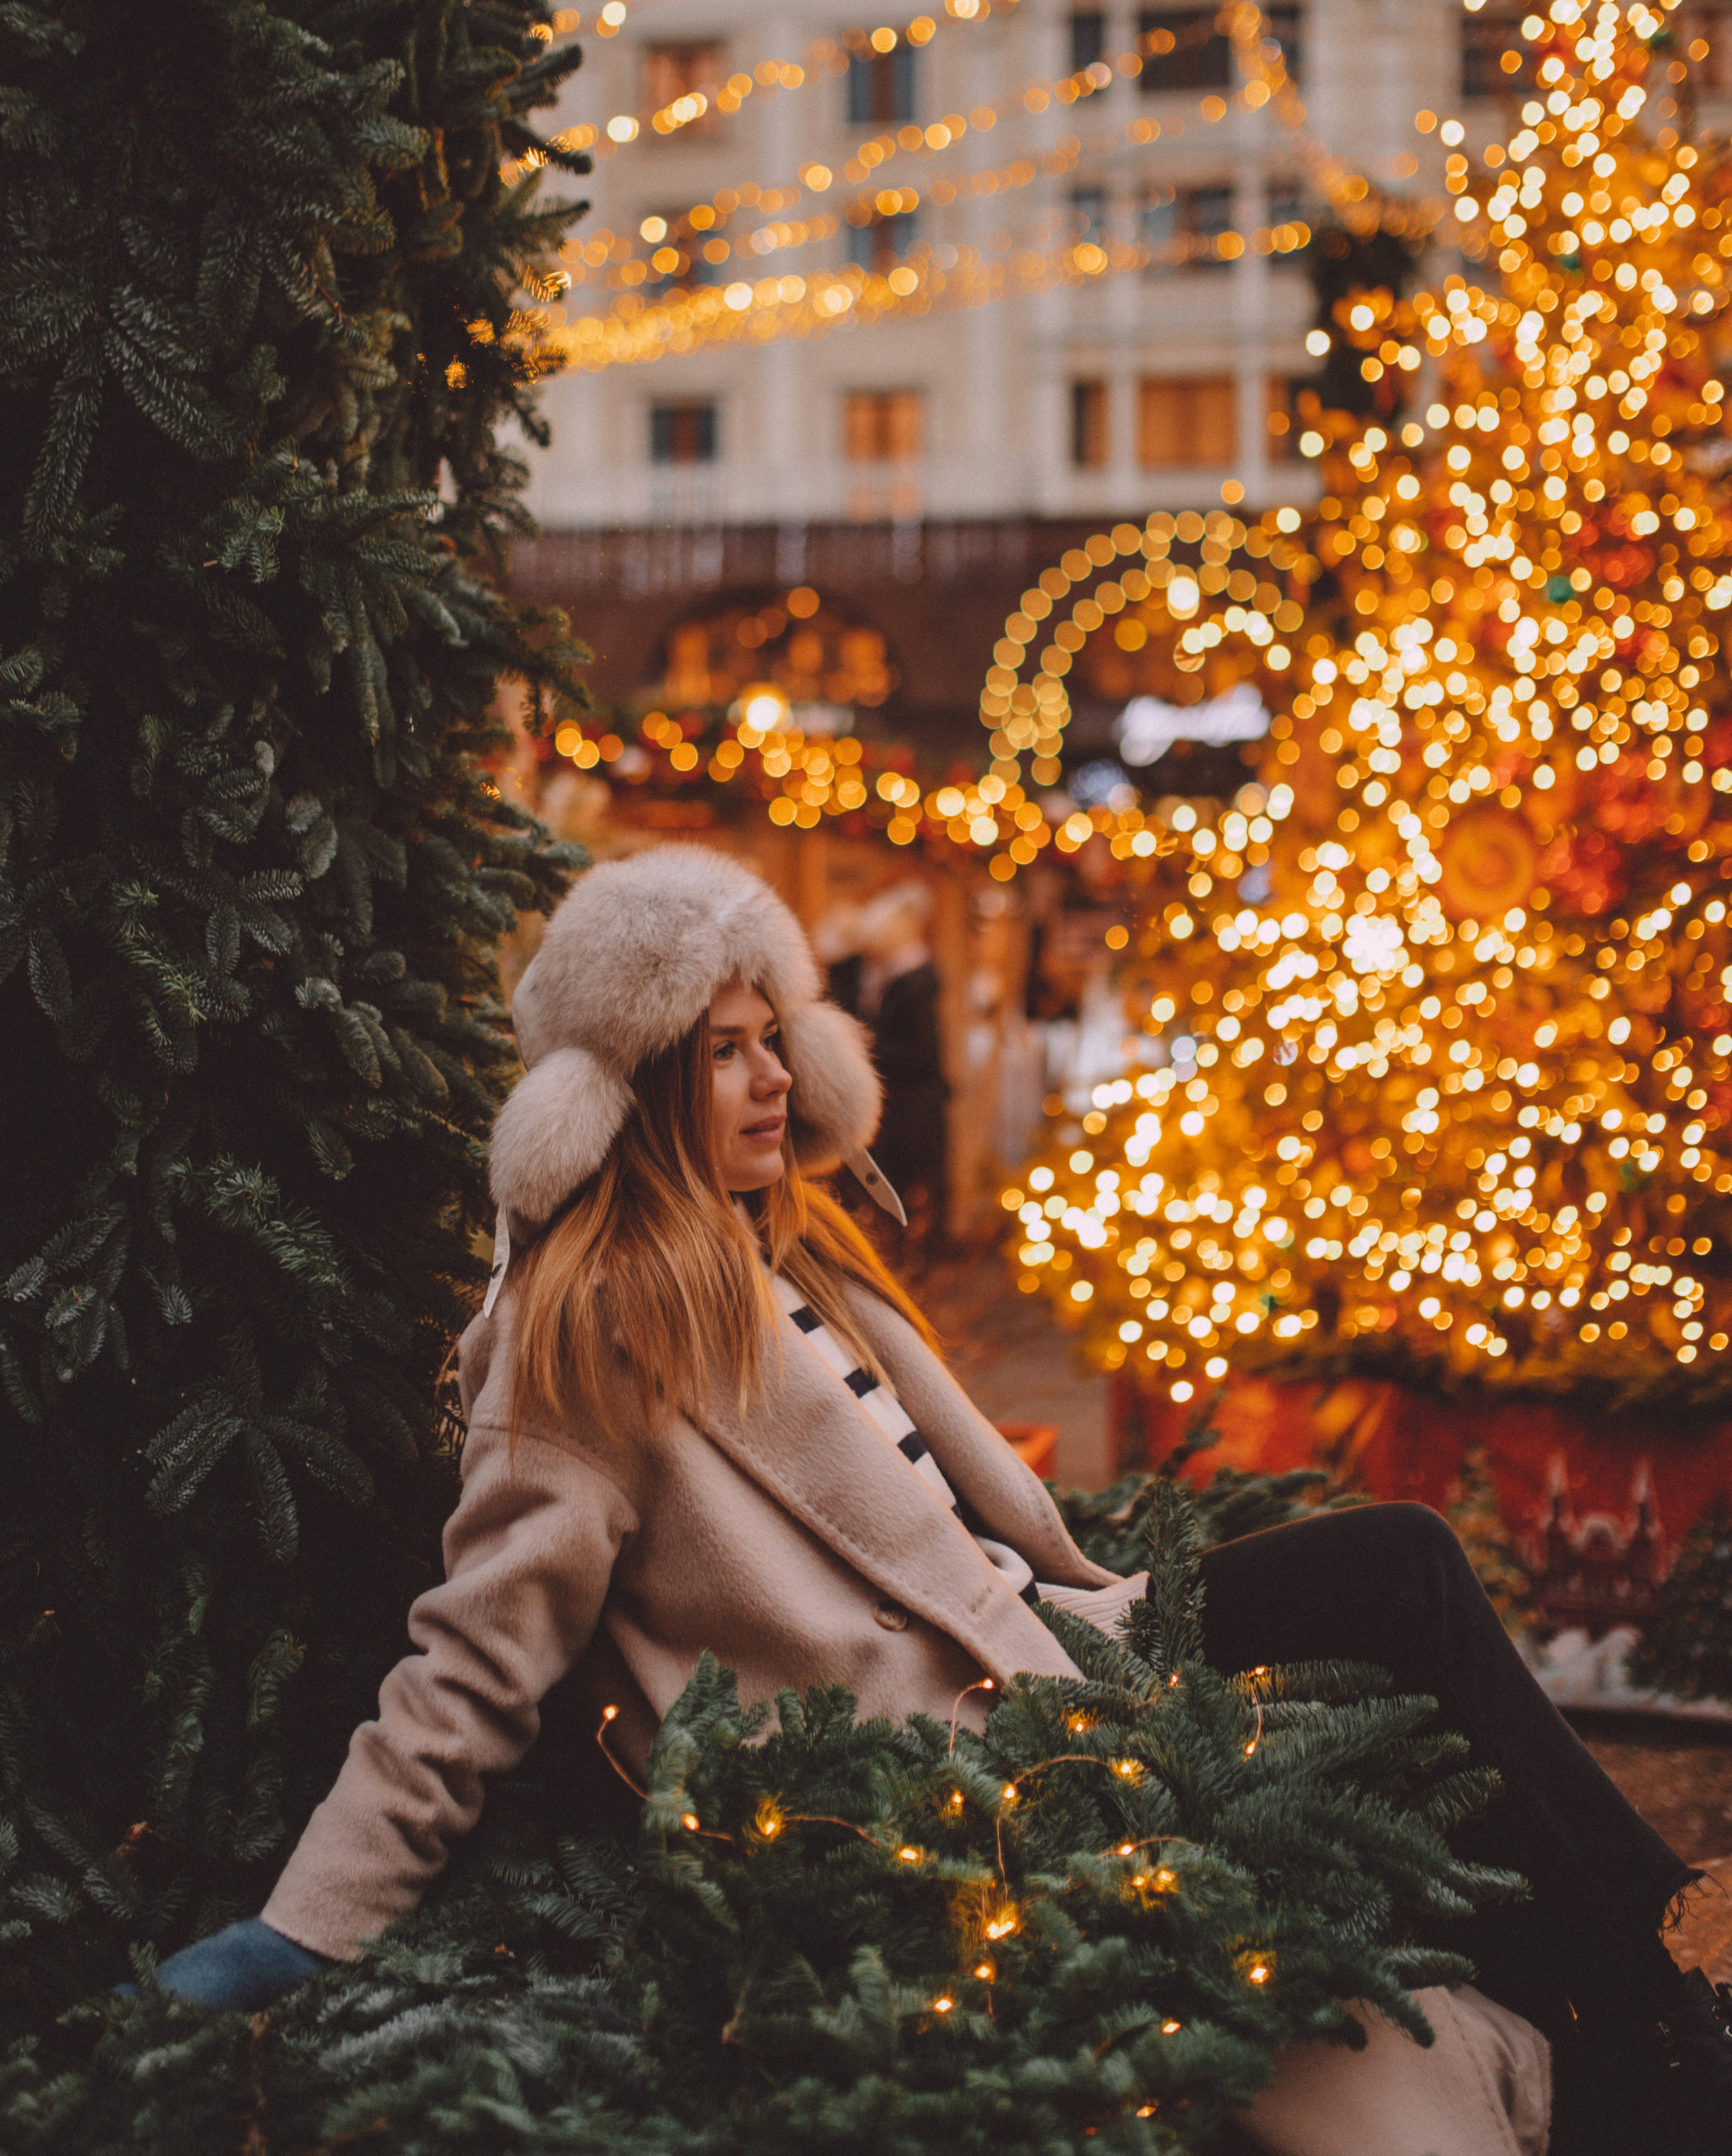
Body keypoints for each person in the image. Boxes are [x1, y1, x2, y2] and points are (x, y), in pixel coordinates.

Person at [129, 849, 1728, 2156]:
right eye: (721, 1049)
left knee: (1399, 1597)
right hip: (933, 1755)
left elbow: (952, 1517)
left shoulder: (791, 1244)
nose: (767, 1079)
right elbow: (475, 1661)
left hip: (1043, 1636)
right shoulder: (588, 1329)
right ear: (631, 1083)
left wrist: (1072, 1582)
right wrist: (301, 1926)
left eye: (776, 1036)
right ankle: (1671, 1989)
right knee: (1397, 1573)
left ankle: (1654, 1995)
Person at [827, 878, 949, 1240]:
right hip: (893, 1102)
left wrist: (869, 1043)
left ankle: (910, 1246)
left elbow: (922, 1053)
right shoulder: (870, 976)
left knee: (906, 1185)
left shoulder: (914, 984)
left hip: (911, 1106)